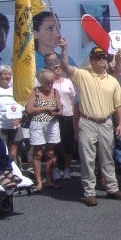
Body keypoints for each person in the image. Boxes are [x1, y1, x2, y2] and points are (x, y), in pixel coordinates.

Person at [59, 39, 121, 206]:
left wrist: (119, 124)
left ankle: (112, 188)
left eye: (103, 56)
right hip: (87, 122)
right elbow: (65, 67)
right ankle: (89, 192)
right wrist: (64, 49)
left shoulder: (112, 80)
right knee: (87, 159)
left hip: (106, 122)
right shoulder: (82, 75)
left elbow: (119, 104)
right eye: (97, 57)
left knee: (107, 157)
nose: (101, 59)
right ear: (91, 59)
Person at [25, 68, 62, 192]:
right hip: (38, 124)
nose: (50, 85)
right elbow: (29, 109)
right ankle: (39, 182)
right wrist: (44, 108)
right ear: (42, 81)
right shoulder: (35, 92)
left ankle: (50, 180)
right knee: (38, 153)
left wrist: (56, 113)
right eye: (47, 83)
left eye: (52, 82)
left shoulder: (55, 92)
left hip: (52, 124)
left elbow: (60, 109)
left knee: (51, 153)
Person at [43, 52, 76, 180]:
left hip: (68, 115)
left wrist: (74, 116)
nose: (58, 70)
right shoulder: (49, 83)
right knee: (54, 145)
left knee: (68, 144)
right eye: (55, 67)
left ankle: (67, 168)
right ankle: (55, 169)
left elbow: (73, 99)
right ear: (50, 69)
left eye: (59, 67)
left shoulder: (68, 81)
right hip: (53, 117)